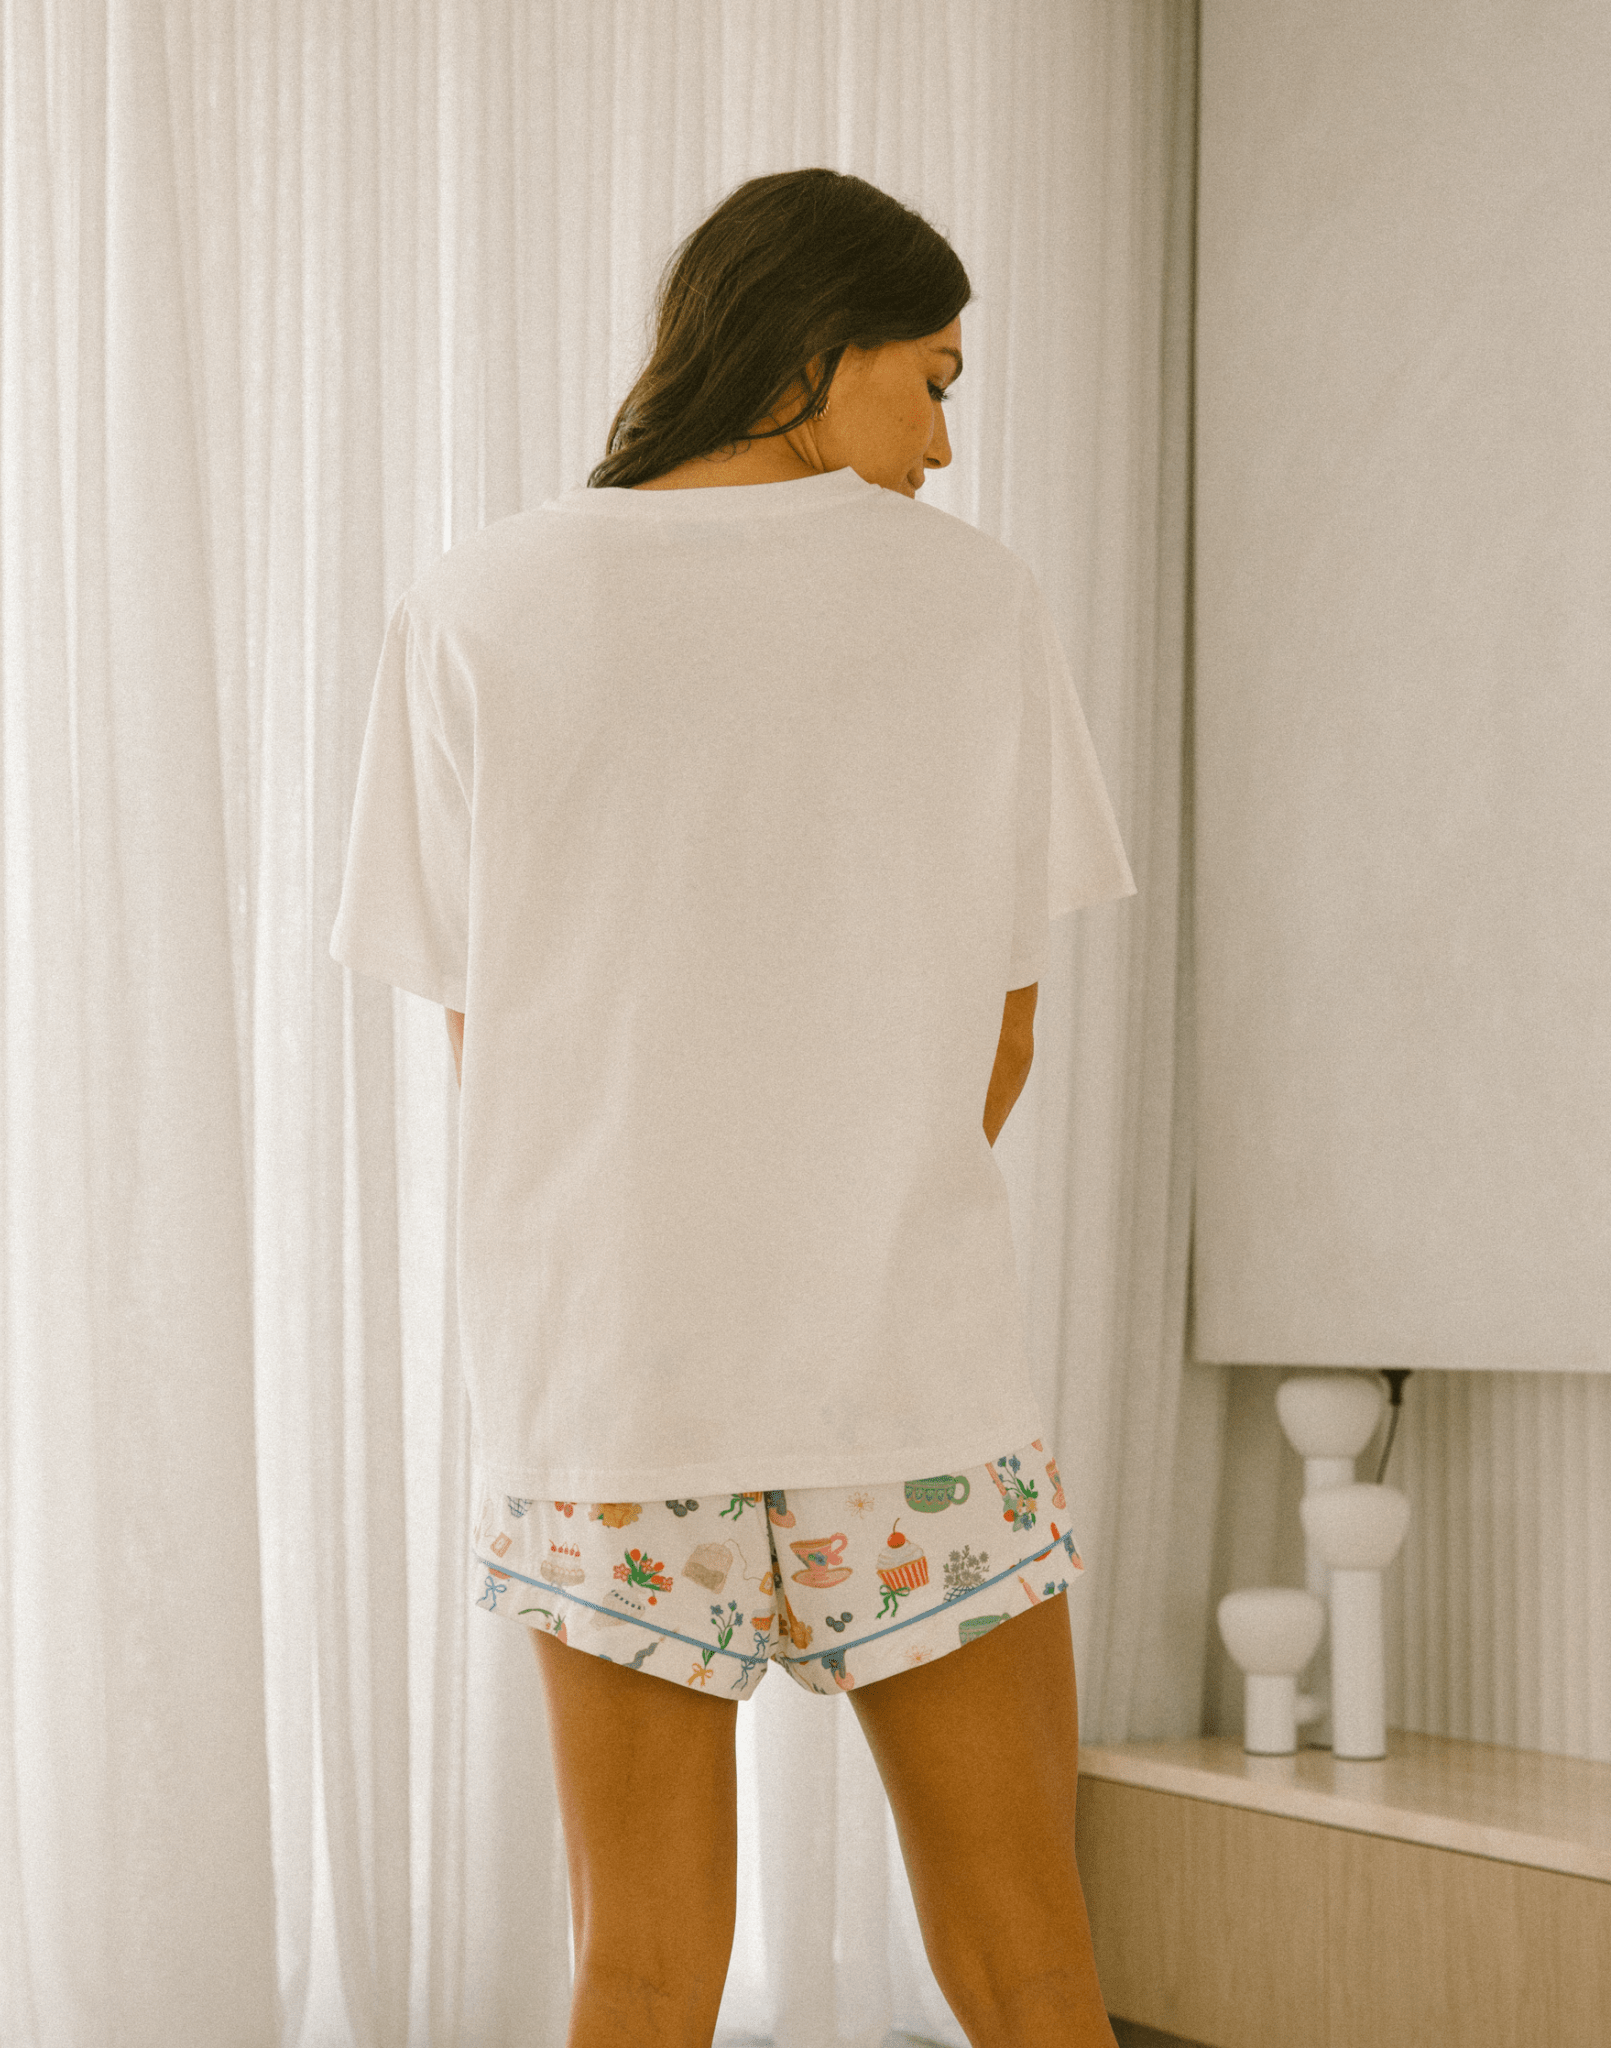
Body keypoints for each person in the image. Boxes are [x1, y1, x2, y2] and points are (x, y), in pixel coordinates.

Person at [332, 166, 1135, 2048]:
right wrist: (844, 1196)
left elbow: (490, 1047)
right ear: (812, 351)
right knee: (1030, 1961)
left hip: (610, 1391)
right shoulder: (969, 599)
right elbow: (1000, 1039)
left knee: (636, 1968)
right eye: (932, 381)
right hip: (908, 1382)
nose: (942, 442)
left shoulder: (478, 601)